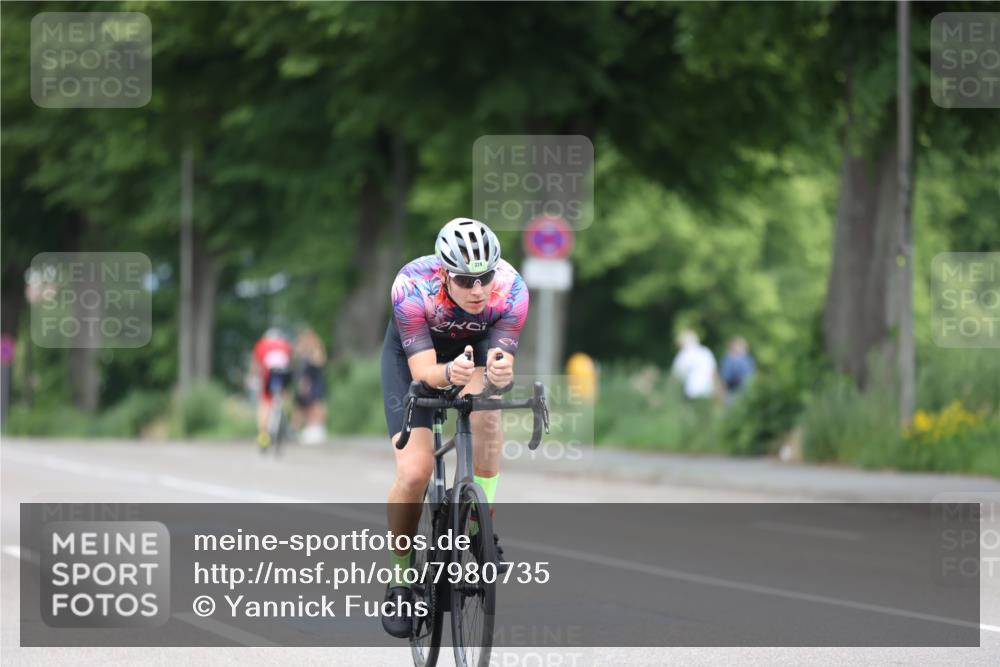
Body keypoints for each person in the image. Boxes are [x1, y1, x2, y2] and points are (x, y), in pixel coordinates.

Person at [379, 217, 528, 638]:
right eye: (465, 280)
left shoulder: (512, 289)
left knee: (489, 415)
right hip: (414, 358)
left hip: (474, 350)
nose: (478, 289)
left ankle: (482, 529)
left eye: (484, 277)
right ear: (445, 273)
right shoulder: (411, 286)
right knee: (413, 472)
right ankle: (402, 579)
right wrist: (449, 373)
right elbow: (425, 370)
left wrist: (499, 373)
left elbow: (500, 359)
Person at [251, 328, 293, 448]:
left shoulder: (262, 344)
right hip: (284, 373)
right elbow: (289, 362)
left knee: (265, 403)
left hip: (269, 373)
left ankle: (263, 436)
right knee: (284, 396)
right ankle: (284, 422)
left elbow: (256, 364)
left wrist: (253, 378)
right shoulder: (285, 345)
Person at [293, 327, 328, 445]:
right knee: (306, 408)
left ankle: (315, 429)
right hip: (309, 383)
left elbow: (319, 362)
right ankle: (302, 429)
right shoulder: (305, 355)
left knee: (315, 407)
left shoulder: (315, 352)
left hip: (314, 383)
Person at [670, 330, 719, 401]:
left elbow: (675, 377)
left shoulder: (683, 355)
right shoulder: (706, 352)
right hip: (707, 393)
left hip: (691, 393)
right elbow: (714, 374)